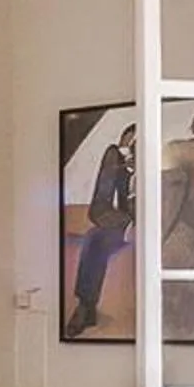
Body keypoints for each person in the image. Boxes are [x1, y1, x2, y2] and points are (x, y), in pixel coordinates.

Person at [69, 122, 138, 335]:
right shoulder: (118, 160)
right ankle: (85, 306)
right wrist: (121, 161)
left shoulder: (167, 161)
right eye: (130, 144)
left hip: (159, 223)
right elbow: (99, 208)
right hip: (126, 222)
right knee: (95, 237)